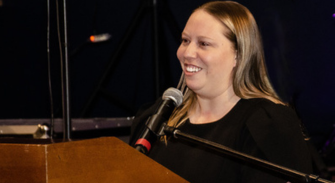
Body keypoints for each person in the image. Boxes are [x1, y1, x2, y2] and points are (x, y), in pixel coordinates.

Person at [130, 1, 313, 182]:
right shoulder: (156, 119)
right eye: (185, 40)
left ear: (239, 55)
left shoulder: (267, 126)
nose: (187, 53)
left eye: (203, 44)